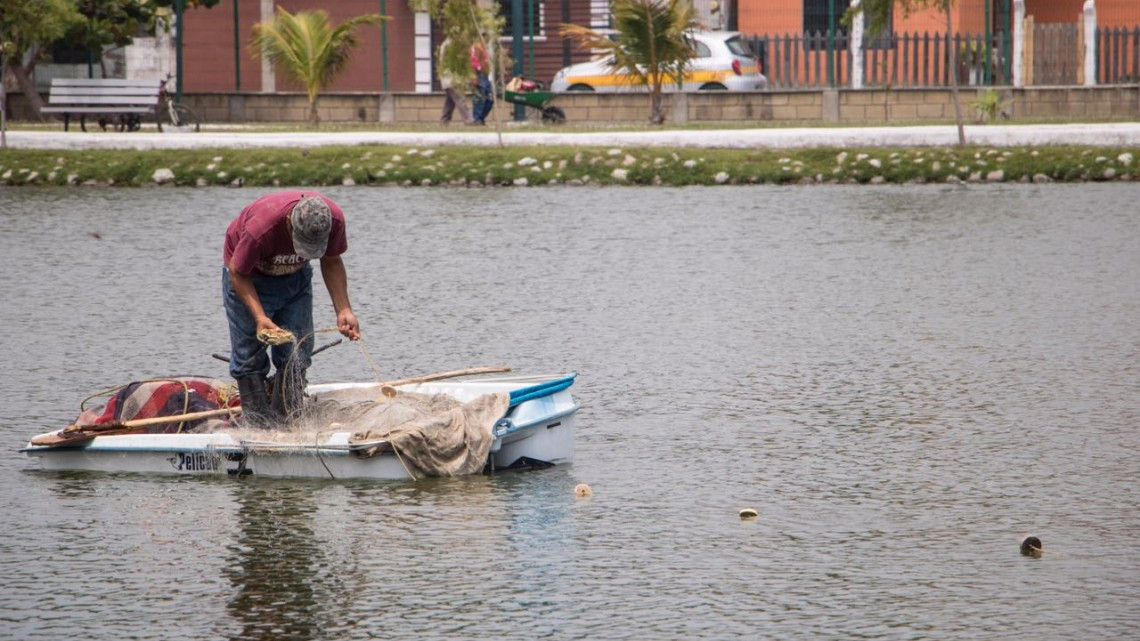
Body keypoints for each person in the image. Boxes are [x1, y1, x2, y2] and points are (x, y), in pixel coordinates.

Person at [222, 190, 361, 426]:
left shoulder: (334, 219)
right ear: (290, 223)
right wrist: (260, 317)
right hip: (250, 278)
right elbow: (238, 272)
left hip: (295, 279)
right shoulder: (263, 227)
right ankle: (257, 424)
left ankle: (289, 419)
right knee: (249, 356)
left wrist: (344, 310)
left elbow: (332, 260)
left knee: (298, 348)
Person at [438, 38, 472, 125]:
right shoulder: (450, 45)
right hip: (451, 79)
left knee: (450, 102)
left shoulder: (446, 44)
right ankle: (468, 119)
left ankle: (444, 120)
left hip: (449, 78)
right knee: (459, 99)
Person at [470, 41, 494, 125]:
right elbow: (473, 62)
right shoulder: (476, 47)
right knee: (480, 98)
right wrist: (473, 76)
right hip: (479, 74)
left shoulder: (484, 49)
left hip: (486, 75)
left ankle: (481, 117)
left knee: (490, 98)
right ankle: (477, 119)